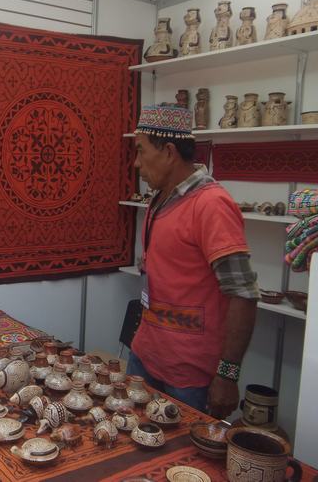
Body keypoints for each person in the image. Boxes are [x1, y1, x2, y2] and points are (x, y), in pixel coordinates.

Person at [128, 104, 259, 420]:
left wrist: (227, 375)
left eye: (141, 151)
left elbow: (243, 293)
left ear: (169, 152)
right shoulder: (160, 197)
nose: (136, 163)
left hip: (189, 376)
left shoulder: (211, 205)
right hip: (146, 356)